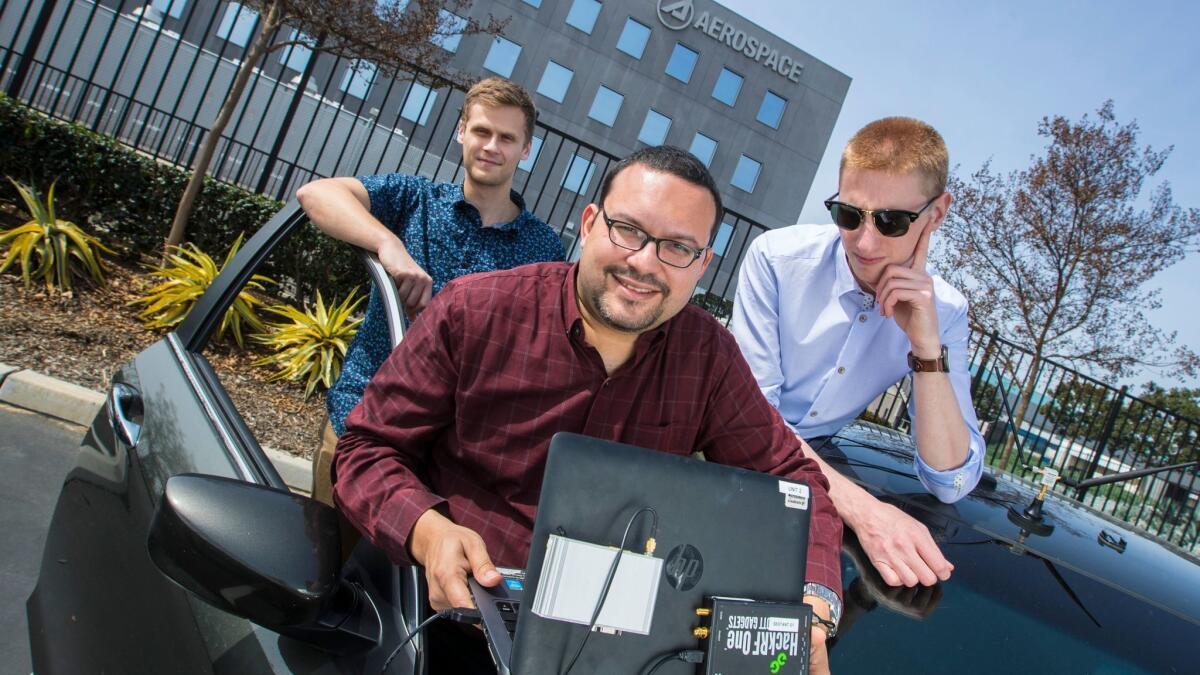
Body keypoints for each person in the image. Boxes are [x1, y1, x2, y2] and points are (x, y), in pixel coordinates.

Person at [333, 146, 842, 674]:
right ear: (589, 223)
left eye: (677, 248)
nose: (645, 262)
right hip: (444, 625)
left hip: (616, 652)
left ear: (702, 265)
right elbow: (365, 449)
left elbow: (793, 480)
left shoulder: (709, 357)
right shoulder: (474, 311)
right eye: (628, 230)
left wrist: (812, 604)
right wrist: (429, 531)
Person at [731, 117, 984, 589]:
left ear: (937, 213)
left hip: (805, 492)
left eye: (891, 221)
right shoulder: (777, 260)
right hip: (726, 467)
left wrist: (926, 350)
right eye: (849, 214)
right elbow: (750, 423)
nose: (865, 243)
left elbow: (951, 481)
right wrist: (867, 513)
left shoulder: (944, 311)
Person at [296, 77, 564, 505]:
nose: (491, 146)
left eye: (507, 137)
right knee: (323, 563)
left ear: (525, 150)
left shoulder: (546, 249)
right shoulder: (414, 200)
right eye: (481, 131)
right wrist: (389, 244)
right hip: (357, 425)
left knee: (397, 576)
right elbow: (317, 193)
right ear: (461, 132)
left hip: (448, 468)